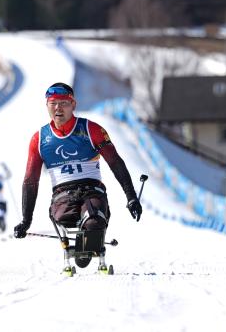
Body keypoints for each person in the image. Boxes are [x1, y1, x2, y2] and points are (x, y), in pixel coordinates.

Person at [13, 82, 142, 239]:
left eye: (63, 103)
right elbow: (30, 180)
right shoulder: (39, 139)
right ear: (47, 105)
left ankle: (90, 238)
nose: (57, 108)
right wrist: (26, 221)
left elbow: (115, 162)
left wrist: (131, 197)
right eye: (53, 103)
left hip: (92, 190)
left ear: (73, 104)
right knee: (64, 220)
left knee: (94, 222)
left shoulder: (92, 130)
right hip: (62, 194)